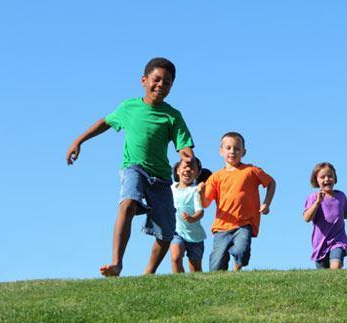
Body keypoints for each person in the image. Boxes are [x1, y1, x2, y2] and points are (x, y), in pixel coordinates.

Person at [66, 57, 195, 277]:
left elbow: (183, 144)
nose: (161, 86)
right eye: (156, 80)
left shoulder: (172, 116)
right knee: (127, 203)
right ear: (144, 80)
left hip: (161, 177)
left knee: (166, 234)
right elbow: (105, 122)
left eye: (167, 83)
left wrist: (186, 154)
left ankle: (149, 272)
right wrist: (79, 141)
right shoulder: (130, 107)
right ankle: (117, 263)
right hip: (134, 168)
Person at [200, 132, 276, 271]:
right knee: (216, 265)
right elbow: (205, 203)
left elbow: (271, 183)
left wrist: (266, 203)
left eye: (237, 149)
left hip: (244, 224)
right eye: (228, 148)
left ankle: (237, 268)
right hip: (221, 227)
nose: (232, 152)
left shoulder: (251, 171)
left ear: (244, 152)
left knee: (242, 251)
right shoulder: (216, 177)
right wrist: (200, 193)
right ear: (220, 151)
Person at [303, 162, 347, 269]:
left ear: (335, 178)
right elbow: (307, 218)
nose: (327, 179)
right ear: (316, 180)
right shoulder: (313, 197)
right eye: (322, 177)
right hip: (320, 243)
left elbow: (343, 213)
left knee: (335, 267)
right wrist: (318, 202)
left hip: (338, 241)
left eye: (330, 176)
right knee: (324, 280)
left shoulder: (341, 196)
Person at [170, 157, 211, 273]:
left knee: (195, 268)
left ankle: (195, 287)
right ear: (177, 170)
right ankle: (178, 283)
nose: (188, 170)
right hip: (176, 232)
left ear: (198, 174)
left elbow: (200, 211)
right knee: (175, 257)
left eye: (192, 168)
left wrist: (192, 218)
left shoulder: (195, 191)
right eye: (184, 167)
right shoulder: (171, 188)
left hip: (195, 236)